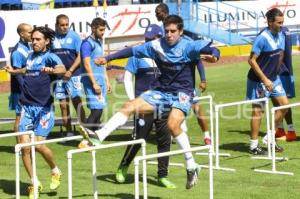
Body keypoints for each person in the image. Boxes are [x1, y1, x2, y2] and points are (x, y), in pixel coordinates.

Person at [80, 15, 219, 189]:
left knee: (173, 125)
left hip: (182, 93)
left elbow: (212, 50)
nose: (169, 35)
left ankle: (191, 166)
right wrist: (107, 59)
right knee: (128, 106)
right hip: (161, 91)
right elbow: (131, 51)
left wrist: (215, 56)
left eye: (173, 31)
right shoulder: (156, 45)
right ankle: (99, 136)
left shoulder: (189, 45)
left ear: (181, 32)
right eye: (166, 31)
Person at [4, 26, 66, 198]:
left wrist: (52, 70)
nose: (34, 42)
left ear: (46, 41)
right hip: (26, 107)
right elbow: (26, 70)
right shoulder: (30, 56)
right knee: (25, 148)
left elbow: (62, 69)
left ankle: (55, 170)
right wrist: (14, 71)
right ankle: (34, 182)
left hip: (44, 109)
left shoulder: (50, 56)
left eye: (38, 39)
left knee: (38, 146)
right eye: (33, 39)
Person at [115, 24, 175, 188]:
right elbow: (128, 77)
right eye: (147, 38)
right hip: (143, 104)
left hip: (163, 104)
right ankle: (124, 166)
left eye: (152, 38)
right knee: (138, 138)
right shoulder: (138, 54)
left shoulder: (166, 54)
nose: (149, 41)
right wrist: (132, 100)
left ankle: (162, 175)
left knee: (164, 140)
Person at [155, 2, 212, 145]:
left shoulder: (184, 39)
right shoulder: (161, 34)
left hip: (185, 81)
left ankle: (206, 135)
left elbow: (197, 59)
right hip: (169, 82)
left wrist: (203, 79)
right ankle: (178, 130)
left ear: (164, 12)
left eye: (158, 12)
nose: (156, 14)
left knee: (197, 107)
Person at [246, 8, 288, 155]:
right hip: (258, 80)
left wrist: (277, 72)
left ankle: (270, 138)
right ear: (270, 22)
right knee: (258, 112)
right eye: (279, 23)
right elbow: (251, 60)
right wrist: (265, 79)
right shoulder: (262, 38)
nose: (282, 25)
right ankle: (253, 146)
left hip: (274, 79)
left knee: (284, 105)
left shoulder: (281, 35)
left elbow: (280, 54)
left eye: (283, 22)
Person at [78, 17, 112, 148]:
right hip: (92, 82)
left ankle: (92, 140)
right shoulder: (87, 43)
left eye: (104, 30)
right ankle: (85, 140)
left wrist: (107, 80)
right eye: (101, 29)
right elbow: (86, 64)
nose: (103, 32)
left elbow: (102, 63)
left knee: (99, 111)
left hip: (100, 81)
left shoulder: (99, 42)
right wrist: (94, 83)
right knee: (96, 111)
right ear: (93, 28)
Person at [52, 14, 85, 138]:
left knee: (77, 101)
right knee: (63, 104)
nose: (65, 27)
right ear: (56, 25)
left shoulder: (74, 36)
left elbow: (80, 56)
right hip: (59, 77)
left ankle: (84, 130)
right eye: (62, 25)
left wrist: (70, 71)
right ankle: (68, 132)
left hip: (74, 75)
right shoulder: (51, 38)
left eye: (67, 24)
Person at [8, 23, 32, 134]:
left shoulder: (28, 46)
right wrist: (25, 88)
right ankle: (20, 146)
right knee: (19, 117)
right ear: (22, 34)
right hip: (20, 90)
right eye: (29, 32)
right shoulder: (17, 51)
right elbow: (17, 73)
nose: (32, 34)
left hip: (27, 88)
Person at [274, 26, 297, 141]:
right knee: (277, 101)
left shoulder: (279, 32)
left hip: (280, 71)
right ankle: (281, 129)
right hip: (285, 71)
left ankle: (291, 131)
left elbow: (280, 53)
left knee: (283, 102)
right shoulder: (286, 30)